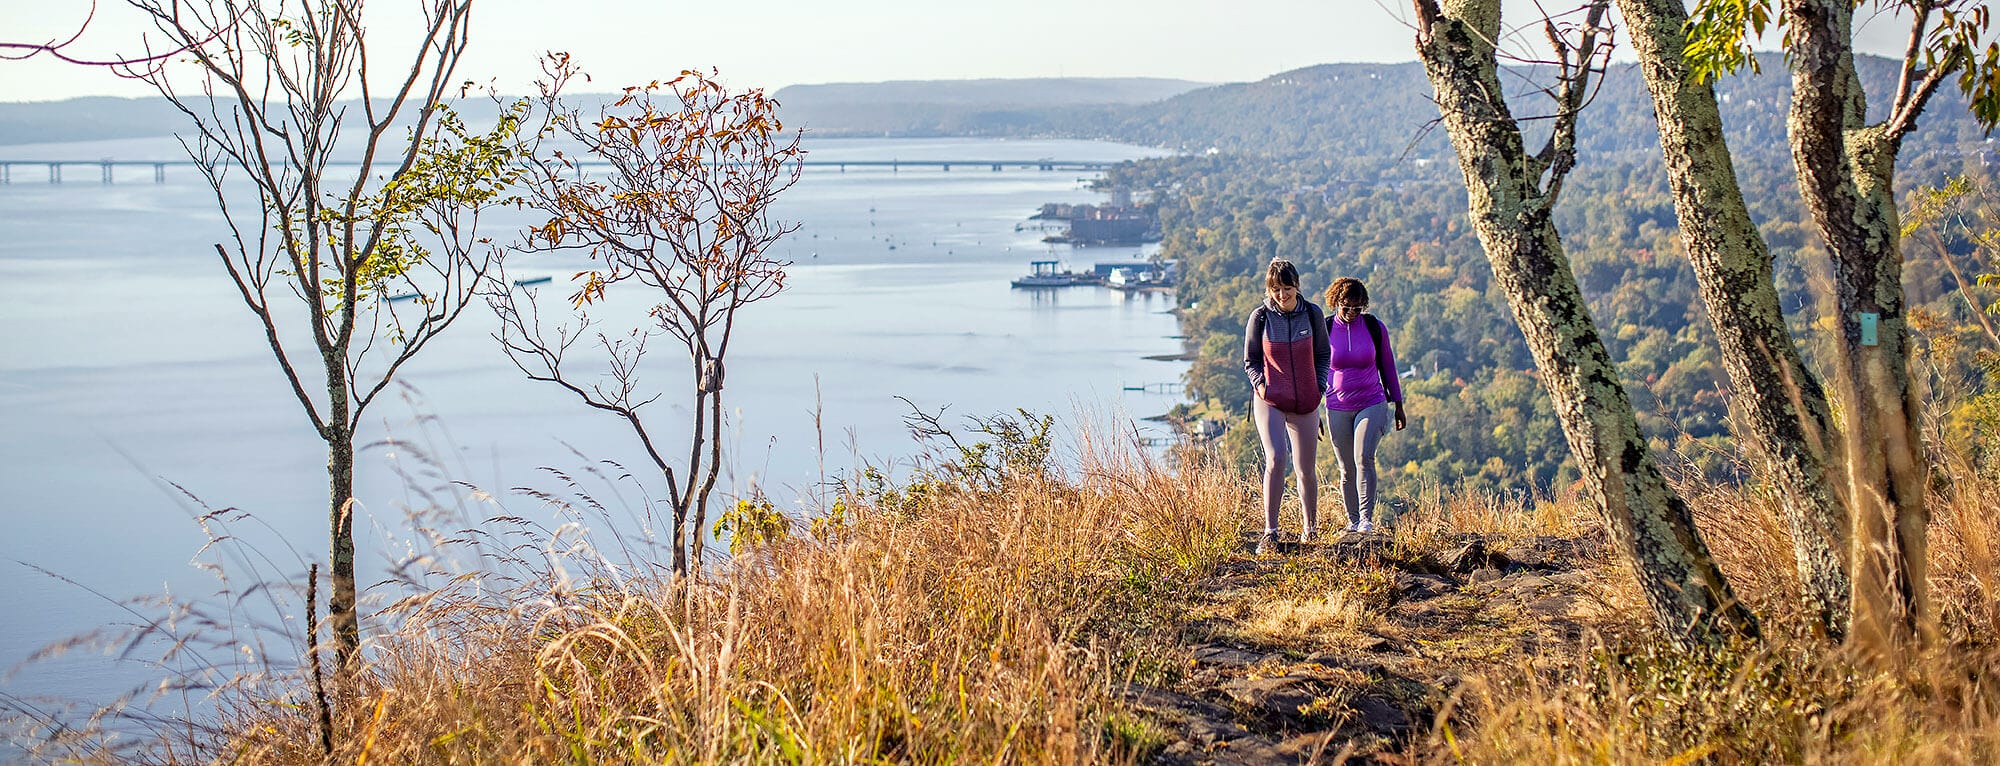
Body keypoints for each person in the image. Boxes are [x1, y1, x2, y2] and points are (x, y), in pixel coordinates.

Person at [1243, 259, 1330, 554]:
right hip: (1270, 399)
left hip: (1306, 399)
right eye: (1276, 289)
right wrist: (1262, 385)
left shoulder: (1313, 314)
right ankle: (1270, 532)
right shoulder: (1261, 318)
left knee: (1305, 468)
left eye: (1287, 288)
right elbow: (1250, 361)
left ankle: (1310, 530)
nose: (1282, 295)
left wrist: (1319, 386)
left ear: (1297, 286)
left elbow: (1323, 355)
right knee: (1276, 458)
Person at [1322, 277, 1405, 534]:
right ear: (1336, 302)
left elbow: (1388, 365)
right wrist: (1311, 411)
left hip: (1372, 401)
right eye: (1346, 307)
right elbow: (1314, 370)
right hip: (1336, 404)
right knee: (1346, 467)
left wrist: (1398, 403)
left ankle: (1366, 520)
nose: (1352, 313)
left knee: (1364, 458)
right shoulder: (1323, 329)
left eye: (1358, 308)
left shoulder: (1373, 327)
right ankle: (1353, 520)